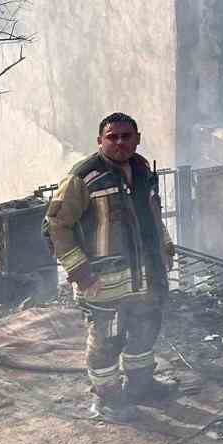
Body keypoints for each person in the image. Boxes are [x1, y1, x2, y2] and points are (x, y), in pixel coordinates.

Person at [44, 112, 176, 422]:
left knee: (145, 331)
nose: (119, 142)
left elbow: (154, 215)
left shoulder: (143, 170)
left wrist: (165, 247)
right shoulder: (82, 178)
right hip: (104, 283)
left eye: (126, 136)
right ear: (100, 141)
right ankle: (108, 400)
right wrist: (81, 273)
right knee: (106, 342)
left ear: (137, 138)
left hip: (146, 276)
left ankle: (141, 387)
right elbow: (55, 226)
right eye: (112, 137)